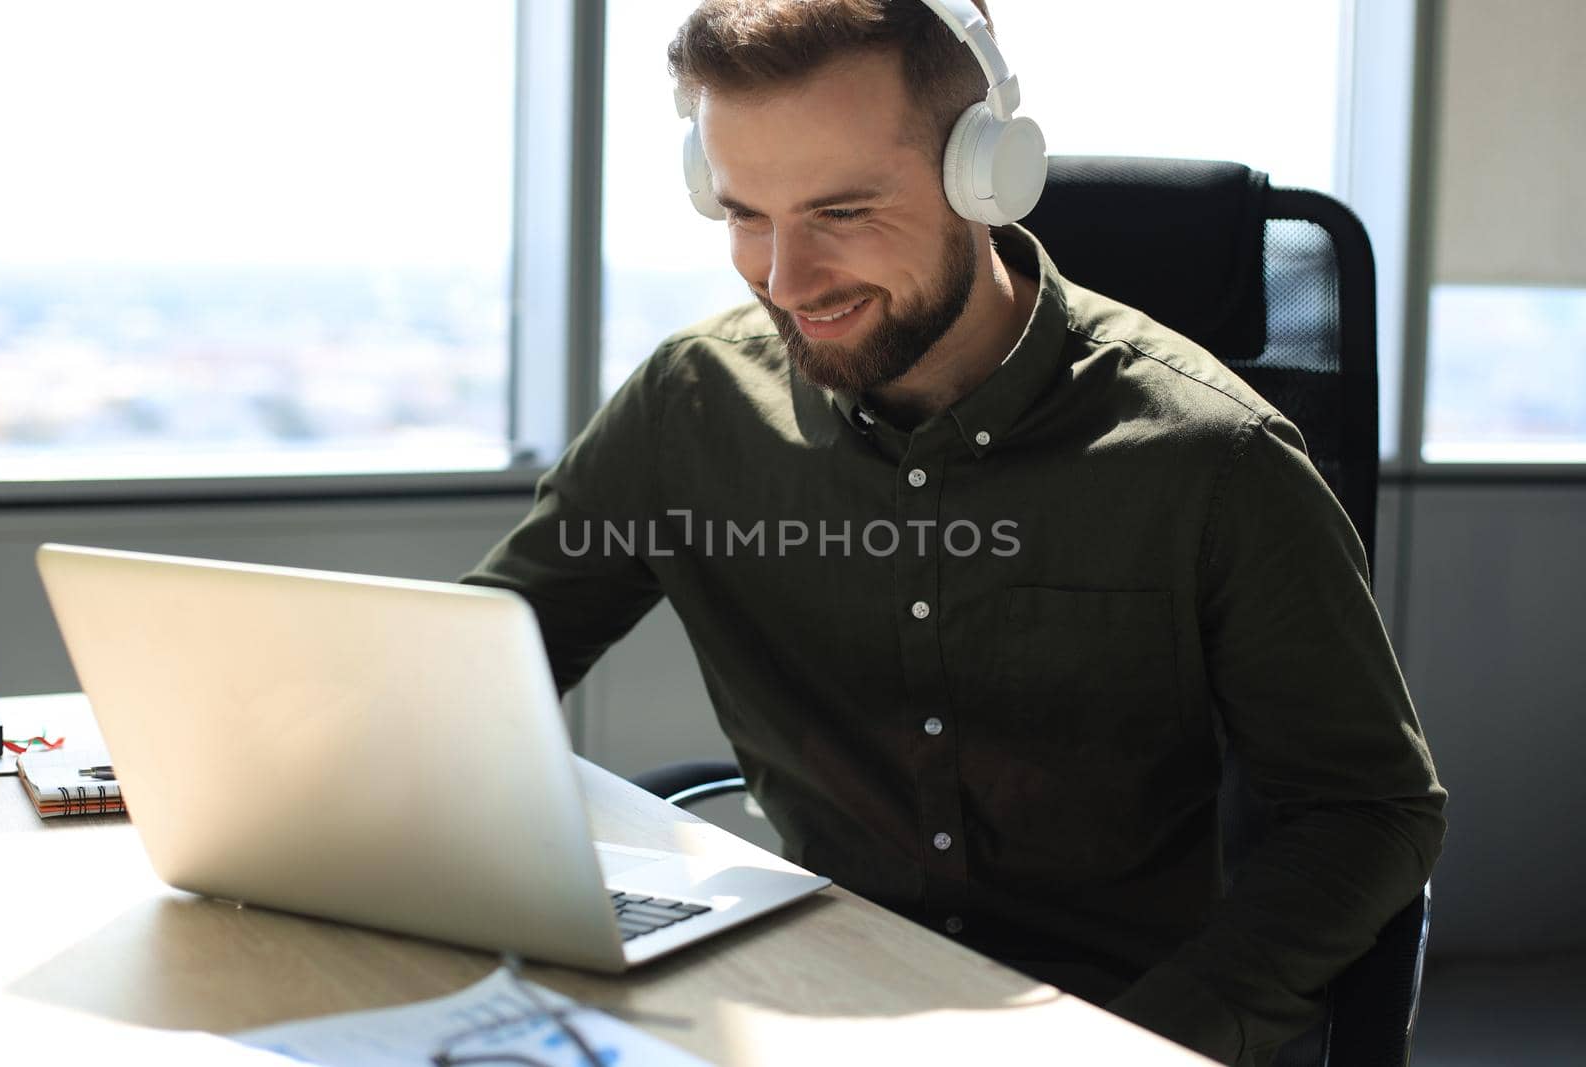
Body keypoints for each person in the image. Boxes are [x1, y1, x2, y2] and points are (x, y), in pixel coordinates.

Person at [463, 2, 1446, 1063]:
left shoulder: (1215, 458)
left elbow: (1367, 810)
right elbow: (475, 663)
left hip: (1100, 1016)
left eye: (841, 211)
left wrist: (1140, 1046)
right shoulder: (688, 404)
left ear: (987, 176)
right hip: (803, 994)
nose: (784, 283)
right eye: (746, 214)